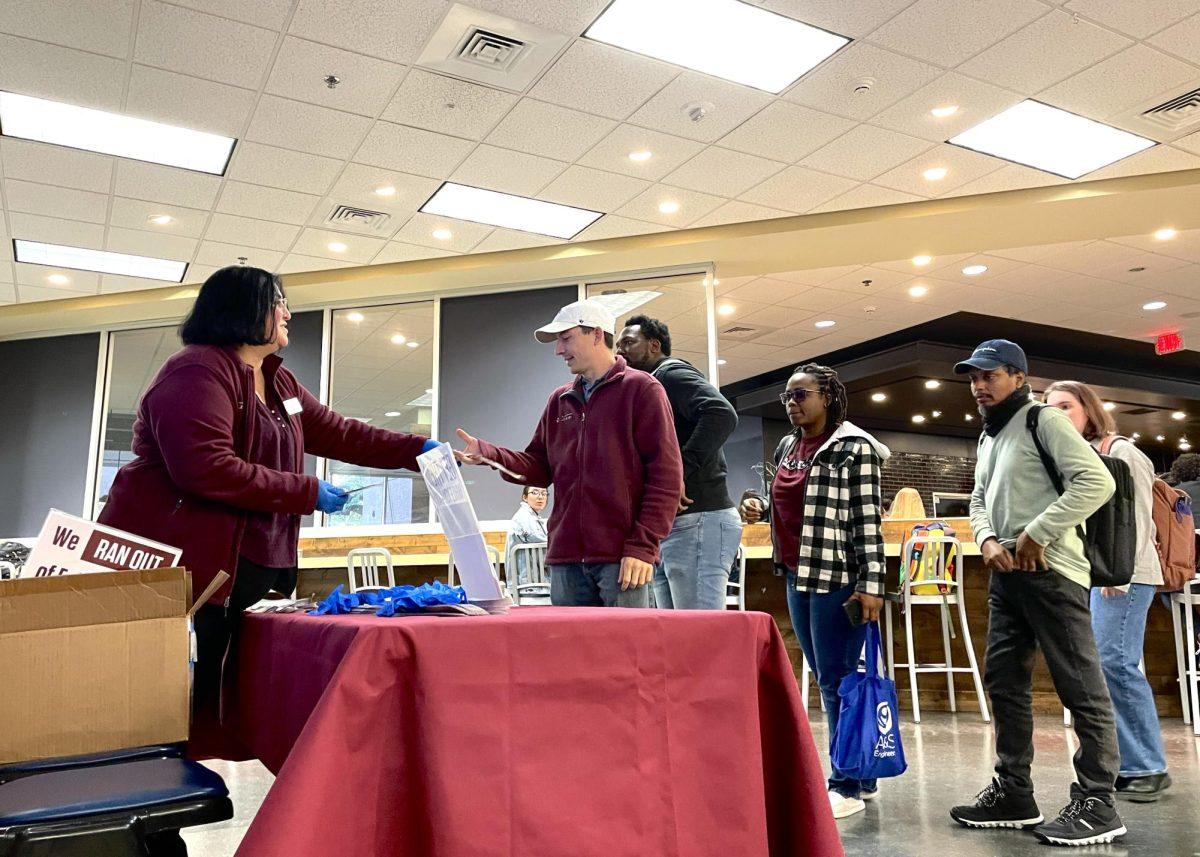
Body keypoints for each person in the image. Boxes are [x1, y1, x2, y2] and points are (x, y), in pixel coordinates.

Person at [98, 266, 435, 757]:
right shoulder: (197, 371)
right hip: (196, 568)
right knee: (178, 704)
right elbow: (206, 468)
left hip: (252, 567)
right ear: (243, 308)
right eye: (278, 301)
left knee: (231, 697)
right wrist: (306, 491)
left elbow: (342, 433)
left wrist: (419, 450)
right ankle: (156, 798)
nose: (288, 313)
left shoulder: (278, 382)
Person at [948, 340, 1124, 847]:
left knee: (1080, 689)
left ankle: (1099, 803)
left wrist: (1036, 532)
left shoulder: (1042, 421)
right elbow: (979, 498)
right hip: (1007, 575)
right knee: (1003, 680)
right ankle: (1014, 792)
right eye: (974, 378)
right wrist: (984, 538)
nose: (980, 386)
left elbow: (1095, 482)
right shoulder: (988, 437)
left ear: (1019, 379)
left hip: (1054, 571)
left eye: (990, 376)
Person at [456, 299, 682, 608]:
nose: (558, 350)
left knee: (624, 656)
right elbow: (537, 467)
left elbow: (666, 478)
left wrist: (643, 547)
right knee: (569, 657)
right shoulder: (559, 400)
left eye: (566, 338)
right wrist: (488, 454)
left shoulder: (642, 390)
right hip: (565, 562)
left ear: (596, 335)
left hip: (623, 562)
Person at [738, 363, 889, 820]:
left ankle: (844, 781)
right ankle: (861, 777)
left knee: (838, 680)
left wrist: (872, 584)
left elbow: (867, 521)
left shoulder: (853, 448)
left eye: (802, 395)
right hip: (795, 574)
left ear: (828, 397)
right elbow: (794, 506)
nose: (792, 402)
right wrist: (760, 509)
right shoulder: (789, 446)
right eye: (788, 396)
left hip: (836, 577)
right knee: (829, 677)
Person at [1045, 380, 1171, 803]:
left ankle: (1148, 764)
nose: (1058, 414)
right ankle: (1123, 762)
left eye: (1066, 406)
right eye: (1051, 408)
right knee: (1102, 666)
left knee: (1116, 662)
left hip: (1128, 575)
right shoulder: (1079, 455)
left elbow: (1136, 518)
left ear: (1089, 411)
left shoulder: (1122, 452)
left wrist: (1120, 572)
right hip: (1098, 575)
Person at [616, 314, 741, 610]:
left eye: (629, 343)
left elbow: (722, 414)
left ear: (654, 346)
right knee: (678, 635)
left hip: (700, 518)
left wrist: (679, 472)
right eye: (618, 345)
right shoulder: (649, 387)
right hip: (675, 524)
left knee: (700, 635)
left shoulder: (671, 375)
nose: (620, 351)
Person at [505, 486, 549, 588]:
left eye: (544, 493)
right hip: (528, 583)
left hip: (535, 579)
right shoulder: (525, 517)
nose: (540, 497)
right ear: (525, 497)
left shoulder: (532, 517)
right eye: (535, 492)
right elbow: (546, 553)